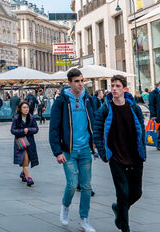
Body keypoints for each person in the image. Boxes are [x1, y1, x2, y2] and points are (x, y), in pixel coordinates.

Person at [93, 75, 145, 232]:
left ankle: (118, 210)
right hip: (116, 158)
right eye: (112, 86)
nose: (114, 89)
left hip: (135, 157)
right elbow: (97, 132)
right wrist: (104, 154)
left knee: (136, 193)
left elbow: (141, 130)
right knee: (122, 194)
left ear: (124, 89)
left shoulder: (134, 108)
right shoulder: (105, 109)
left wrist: (142, 151)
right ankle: (125, 227)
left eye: (117, 86)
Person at [49, 68, 96, 232]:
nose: (81, 84)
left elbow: (94, 121)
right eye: (77, 81)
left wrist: (95, 144)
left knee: (87, 187)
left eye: (82, 80)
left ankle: (84, 219)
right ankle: (65, 206)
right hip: (67, 150)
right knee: (71, 184)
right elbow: (53, 128)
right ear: (69, 83)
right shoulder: (62, 101)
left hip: (85, 150)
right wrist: (57, 151)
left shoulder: (88, 99)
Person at [11, 100, 39, 186]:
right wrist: (23, 131)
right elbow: (13, 130)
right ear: (20, 109)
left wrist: (29, 130)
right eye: (24, 107)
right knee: (25, 159)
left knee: (29, 159)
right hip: (21, 142)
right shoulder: (16, 118)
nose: (26, 109)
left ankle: (23, 173)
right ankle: (29, 178)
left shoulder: (31, 117)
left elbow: (36, 129)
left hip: (30, 142)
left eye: (27, 107)